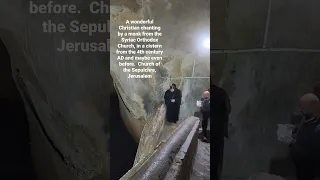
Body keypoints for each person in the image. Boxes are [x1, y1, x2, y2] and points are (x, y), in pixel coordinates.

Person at [288, 93, 320, 180]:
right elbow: (304, 126)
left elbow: (311, 152)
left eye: (303, 108)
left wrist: (293, 144)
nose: (301, 110)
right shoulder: (310, 119)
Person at [211, 84, 231, 180]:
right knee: (216, 162)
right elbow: (228, 109)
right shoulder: (220, 92)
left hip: (211, 131)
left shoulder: (207, 93)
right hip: (218, 131)